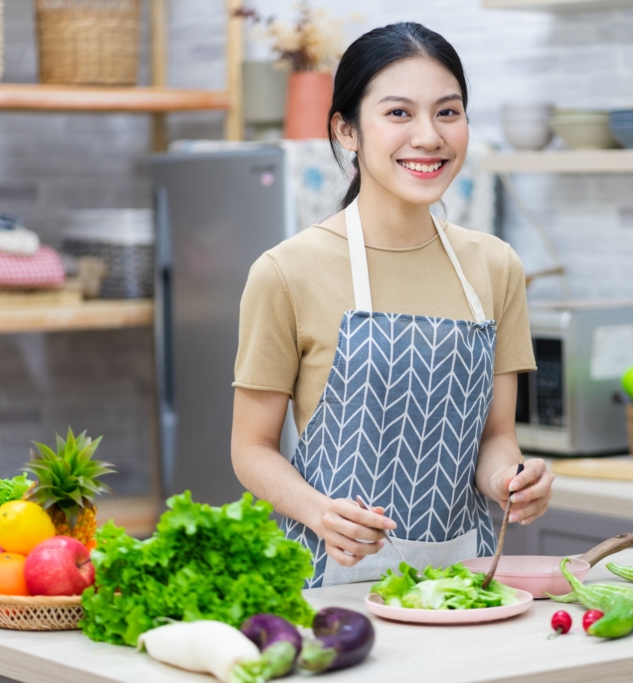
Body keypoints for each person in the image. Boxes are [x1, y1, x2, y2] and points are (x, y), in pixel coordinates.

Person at [230, 22, 553, 588]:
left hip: (465, 582)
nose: (428, 136)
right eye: (399, 113)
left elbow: (496, 437)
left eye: (448, 112)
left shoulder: (495, 265)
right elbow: (251, 449)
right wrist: (318, 512)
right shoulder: (286, 272)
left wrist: (512, 480)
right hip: (334, 582)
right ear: (346, 130)